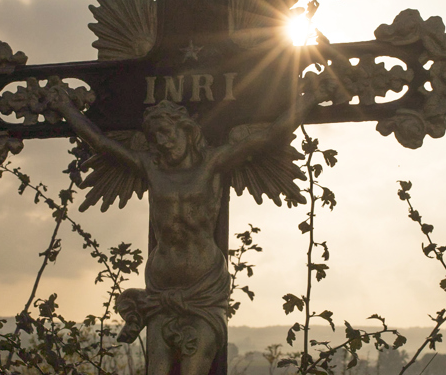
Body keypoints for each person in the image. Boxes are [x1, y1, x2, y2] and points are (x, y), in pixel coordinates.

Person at [56, 92, 320, 375]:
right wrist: (65, 107)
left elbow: (267, 137)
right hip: (160, 284)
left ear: (185, 128)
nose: (161, 141)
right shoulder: (150, 166)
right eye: (154, 135)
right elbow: (101, 143)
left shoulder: (213, 162)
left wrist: (310, 95)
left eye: (166, 132)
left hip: (203, 287)